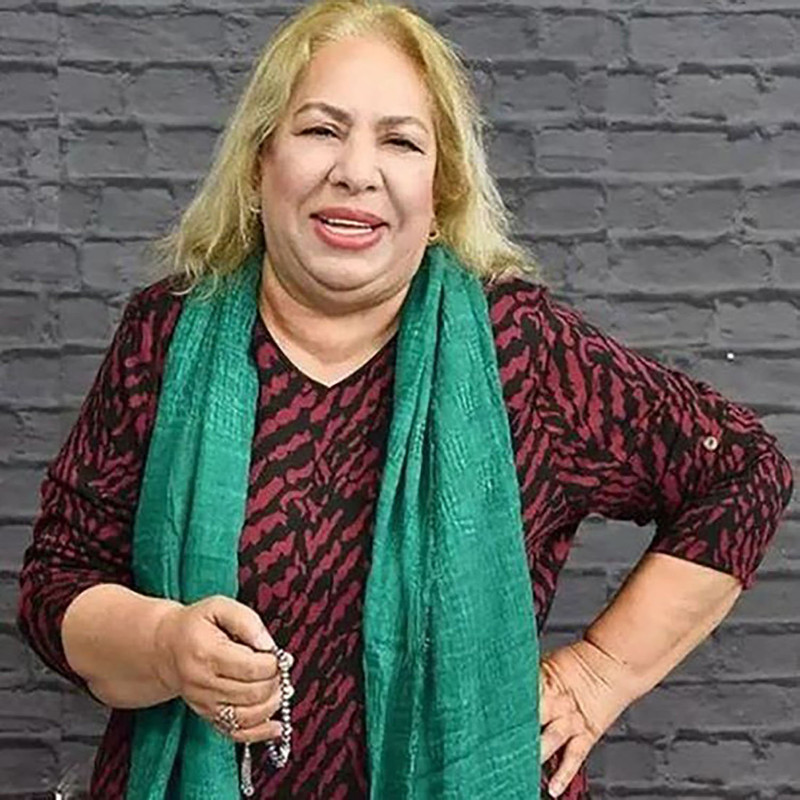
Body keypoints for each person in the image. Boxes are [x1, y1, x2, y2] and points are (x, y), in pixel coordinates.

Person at [16, 0, 794, 798]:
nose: (357, 171)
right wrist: (163, 643)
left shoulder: (520, 351)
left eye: (400, 141)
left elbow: (742, 471)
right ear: (259, 164)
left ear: (440, 190)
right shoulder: (167, 336)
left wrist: (598, 673)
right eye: (321, 130)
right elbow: (56, 585)